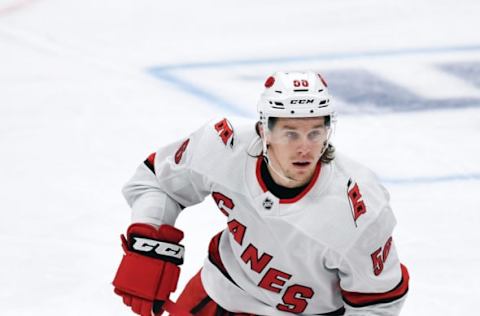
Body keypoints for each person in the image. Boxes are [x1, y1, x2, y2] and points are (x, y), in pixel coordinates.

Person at [112, 71, 409, 316]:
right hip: (217, 298)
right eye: (290, 133)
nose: (304, 147)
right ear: (264, 131)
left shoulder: (359, 210)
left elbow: (377, 306)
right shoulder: (223, 146)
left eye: (315, 133)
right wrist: (148, 240)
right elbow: (157, 180)